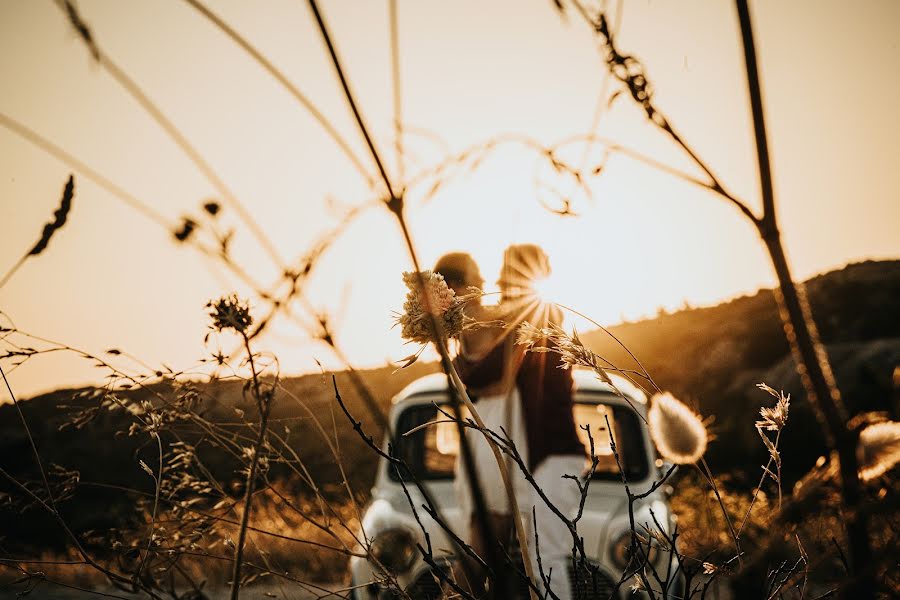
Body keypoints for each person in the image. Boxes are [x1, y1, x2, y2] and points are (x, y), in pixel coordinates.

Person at [452, 244, 586, 600]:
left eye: (509, 278)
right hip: (541, 459)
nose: (504, 286)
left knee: (547, 559)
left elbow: (489, 374)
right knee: (530, 559)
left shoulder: (539, 318)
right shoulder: (528, 320)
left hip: (553, 459)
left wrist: (456, 359)